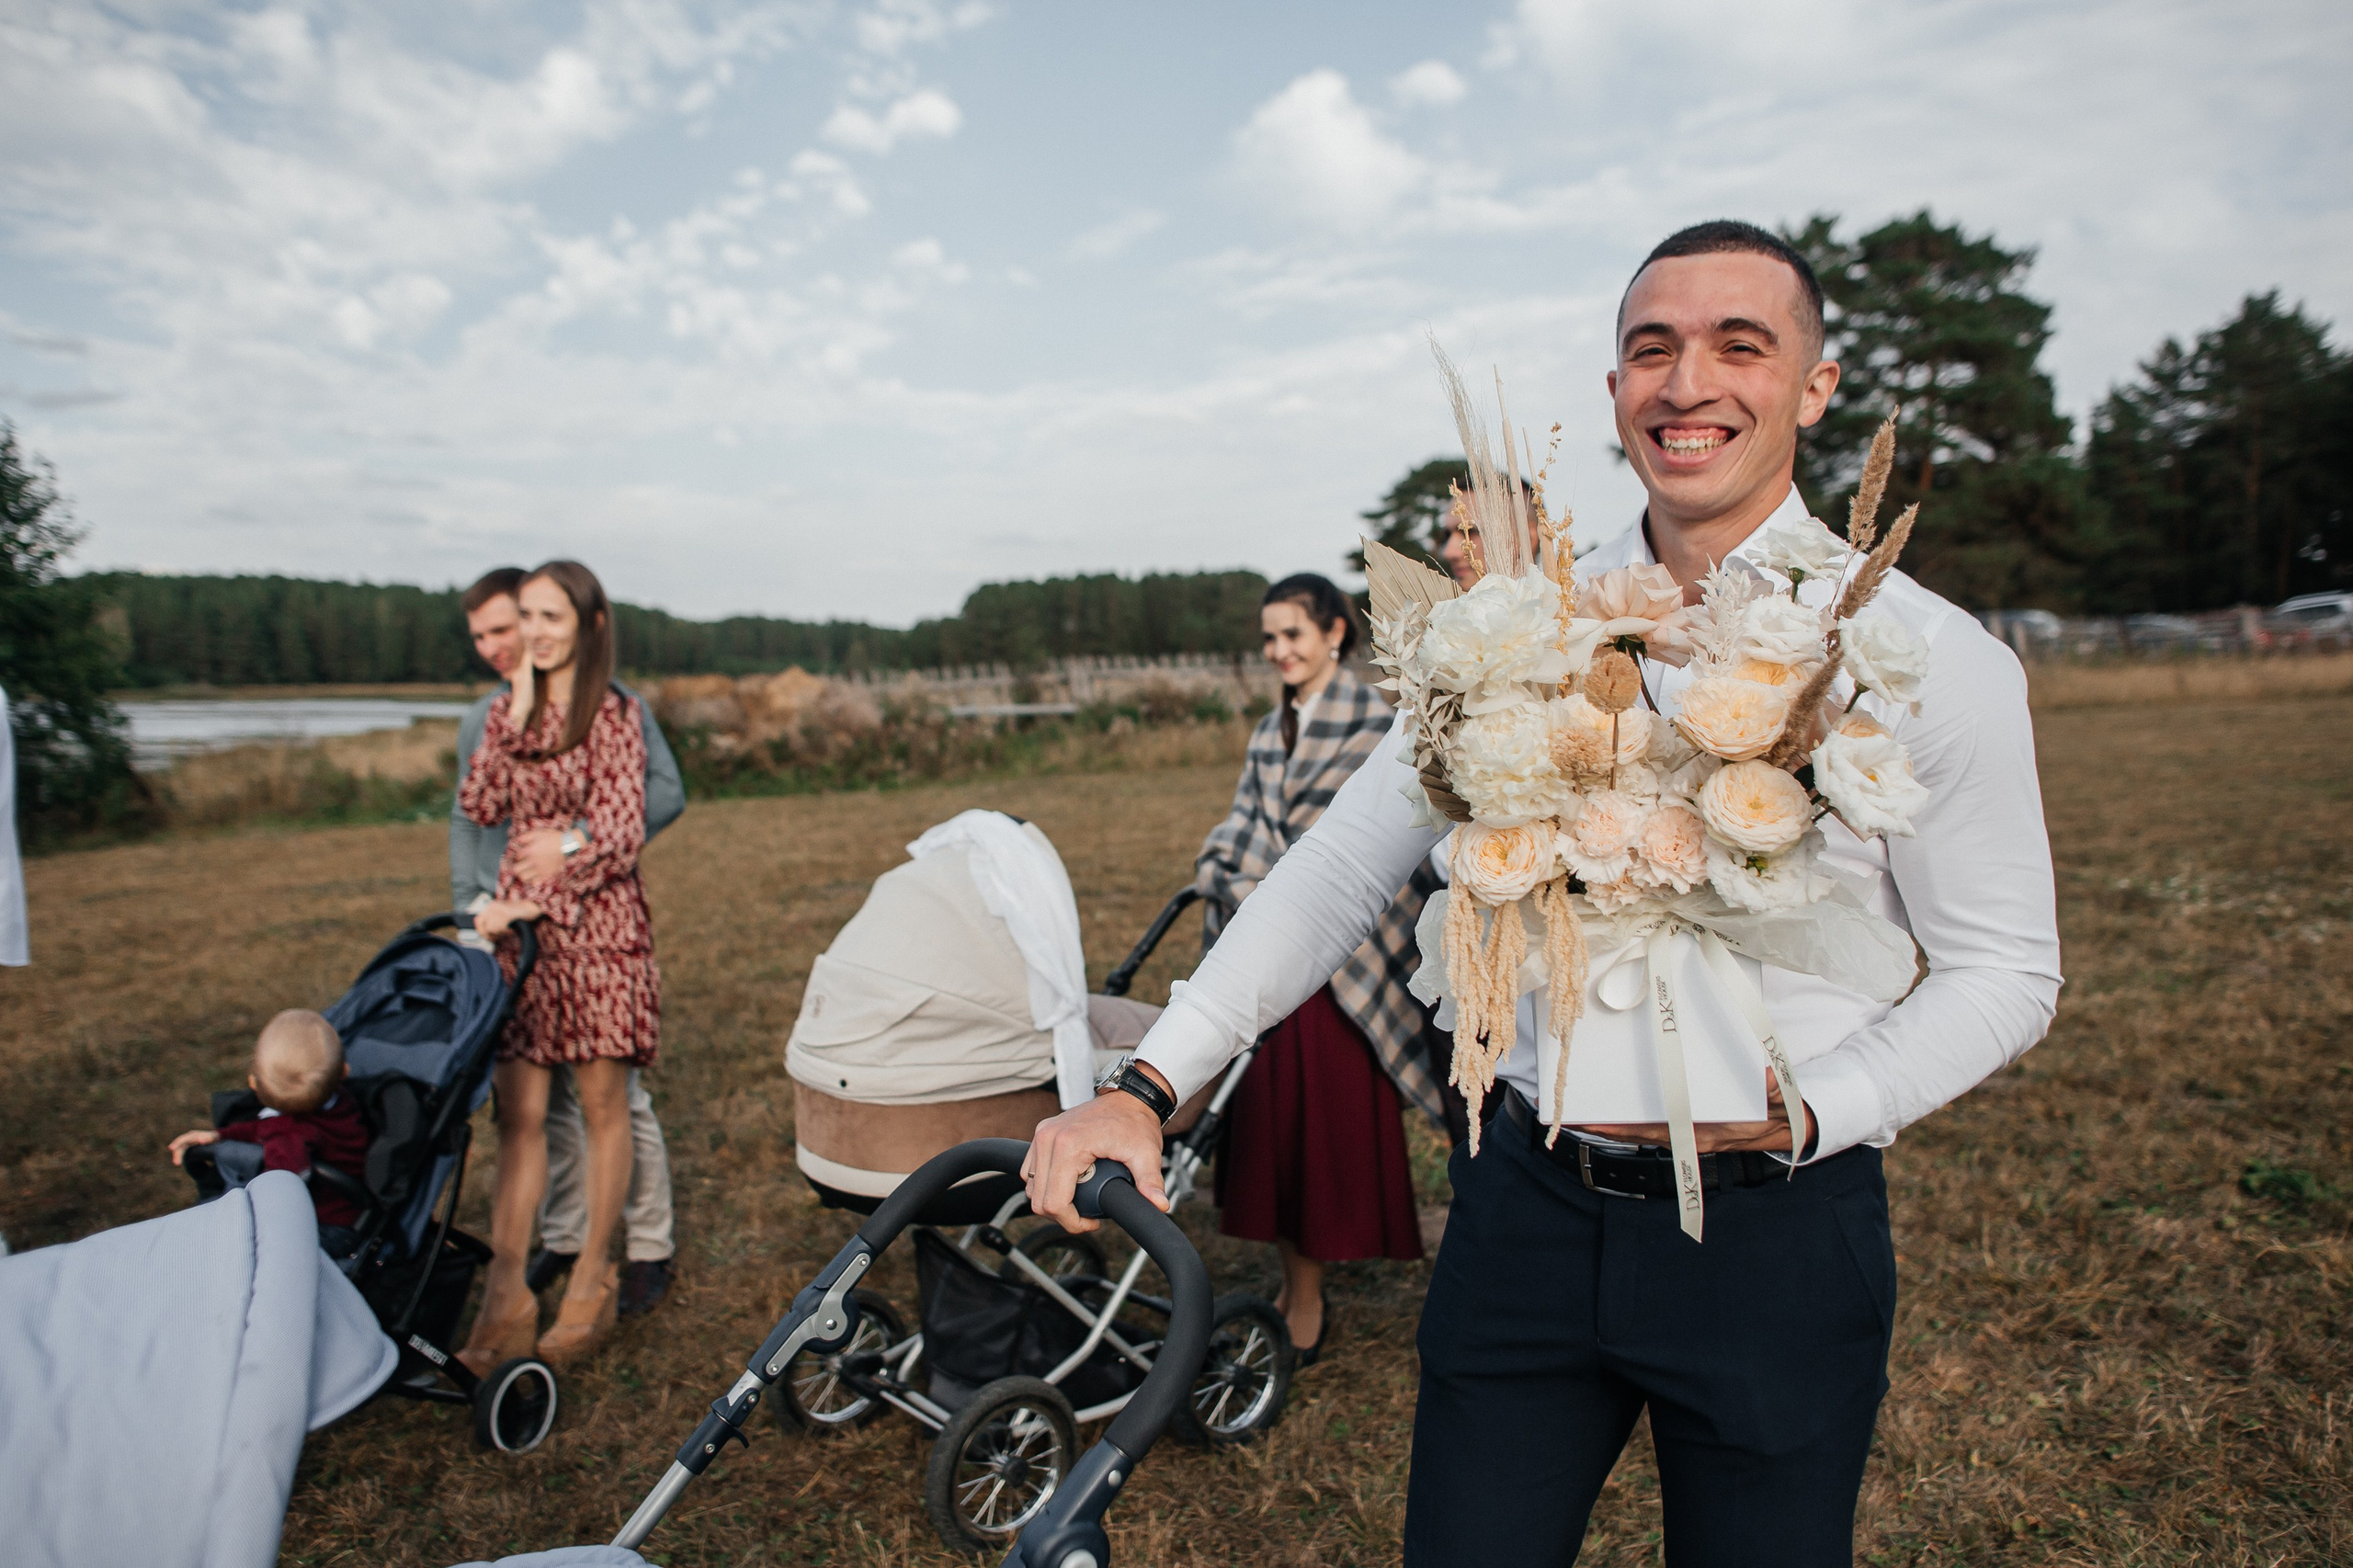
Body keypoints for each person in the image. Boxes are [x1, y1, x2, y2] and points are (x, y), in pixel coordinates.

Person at [1025, 221, 2063, 1564]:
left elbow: (2006, 969)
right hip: (1524, 1203)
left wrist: (1820, 1113)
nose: (1689, 381)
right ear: (1617, 387)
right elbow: (1336, 869)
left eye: (1740, 345)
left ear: (1815, 385)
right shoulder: (1506, 629)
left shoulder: (1925, 657)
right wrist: (1146, 1083)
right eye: (1652, 349)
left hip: (1779, 1236)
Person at [1193, 574, 1438, 1360]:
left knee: (1320, 1131)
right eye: (1269, 638)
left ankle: (1314, 1286)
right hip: (1270, 946)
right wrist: (1240, 876)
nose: (1279, 651)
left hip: (1344, 964)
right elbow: (1246, 829)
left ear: (1335, 633)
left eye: (1292, 634)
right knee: (1269, 1125)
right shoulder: (1272, 730)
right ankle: (1298, 1286)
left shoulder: (1375, 720)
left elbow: (1373, 853)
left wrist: (1288, 884)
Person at [453, 569, 686, 1318]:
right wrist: (516, 711)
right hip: (527, 940)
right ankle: (513, 1282)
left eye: (549, 615)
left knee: (608, 1105)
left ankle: (606, 1267)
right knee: (522, 1117)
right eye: (527, 615)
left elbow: (622, 828)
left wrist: (537, 885)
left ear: (589, 623)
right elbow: (480, 806)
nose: (533, 630)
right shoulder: (505, 713)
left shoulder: (615, 712)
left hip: (599, 932)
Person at [169, 1009, 370, 1255]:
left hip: (325, 1229)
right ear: (344, 1073)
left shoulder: (288, 1140)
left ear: (253, 1083)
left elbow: (277, 1196)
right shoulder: (341, 1103)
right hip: (344, 1214)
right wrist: (221, 1135)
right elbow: (262, 1127)